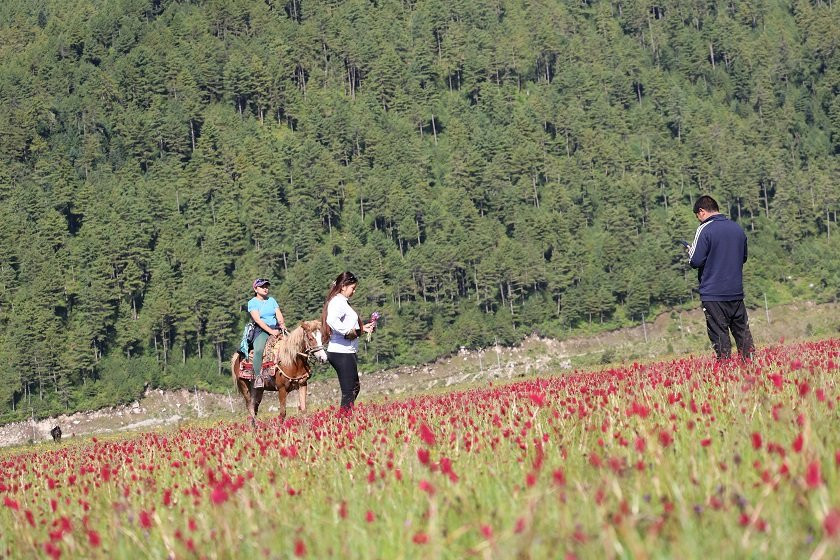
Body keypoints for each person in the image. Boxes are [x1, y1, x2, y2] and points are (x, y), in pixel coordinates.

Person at [687, 195, 755, 360]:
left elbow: (695, 261)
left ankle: (726, 372)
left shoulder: (705, 229)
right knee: (743, 335)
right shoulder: (736, 228)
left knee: (720, 336)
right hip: (735, 292)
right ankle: (751, 367)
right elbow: (743, 257)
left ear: (702, 212)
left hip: (713, 294)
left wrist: (690, 251)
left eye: (698, 216)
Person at [321, 271, 374, 412]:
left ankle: (344, 418)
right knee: (349, 390)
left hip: (347, 351)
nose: (354, 291)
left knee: (354, 388)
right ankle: (343, 421)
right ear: (343, 286)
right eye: (353, 288)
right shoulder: (337, 302)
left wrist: (362, 329)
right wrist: (347, 332)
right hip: (340, 352)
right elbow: (331, 320)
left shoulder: (342, 302)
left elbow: (350, 326)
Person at [248, 278, 287, 389]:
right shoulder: (252, 302)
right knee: (259, 350)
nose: (265, 289)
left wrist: (282, 324)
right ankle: (258, 377)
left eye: (266, 286)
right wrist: (271, 332)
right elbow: (258, 320)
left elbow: (278, 314)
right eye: (262, 287)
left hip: (276, 328)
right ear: (255, 289)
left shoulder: (272, 300)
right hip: (261, 330)